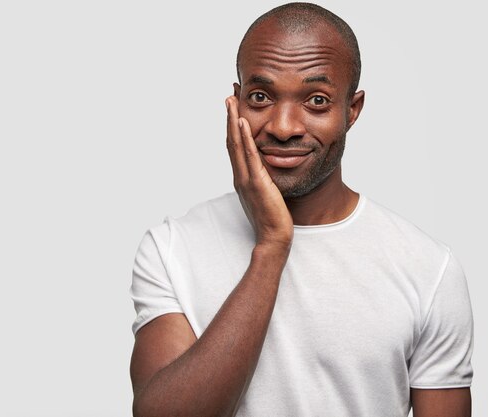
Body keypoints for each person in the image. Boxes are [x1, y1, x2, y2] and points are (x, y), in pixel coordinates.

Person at [128, 3, 474, 416]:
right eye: (260, 97)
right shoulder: (171, 248)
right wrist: (271, 247)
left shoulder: (428, 268)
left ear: (352, 109)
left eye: (316, 100)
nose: (283, 126)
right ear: (235, 103)